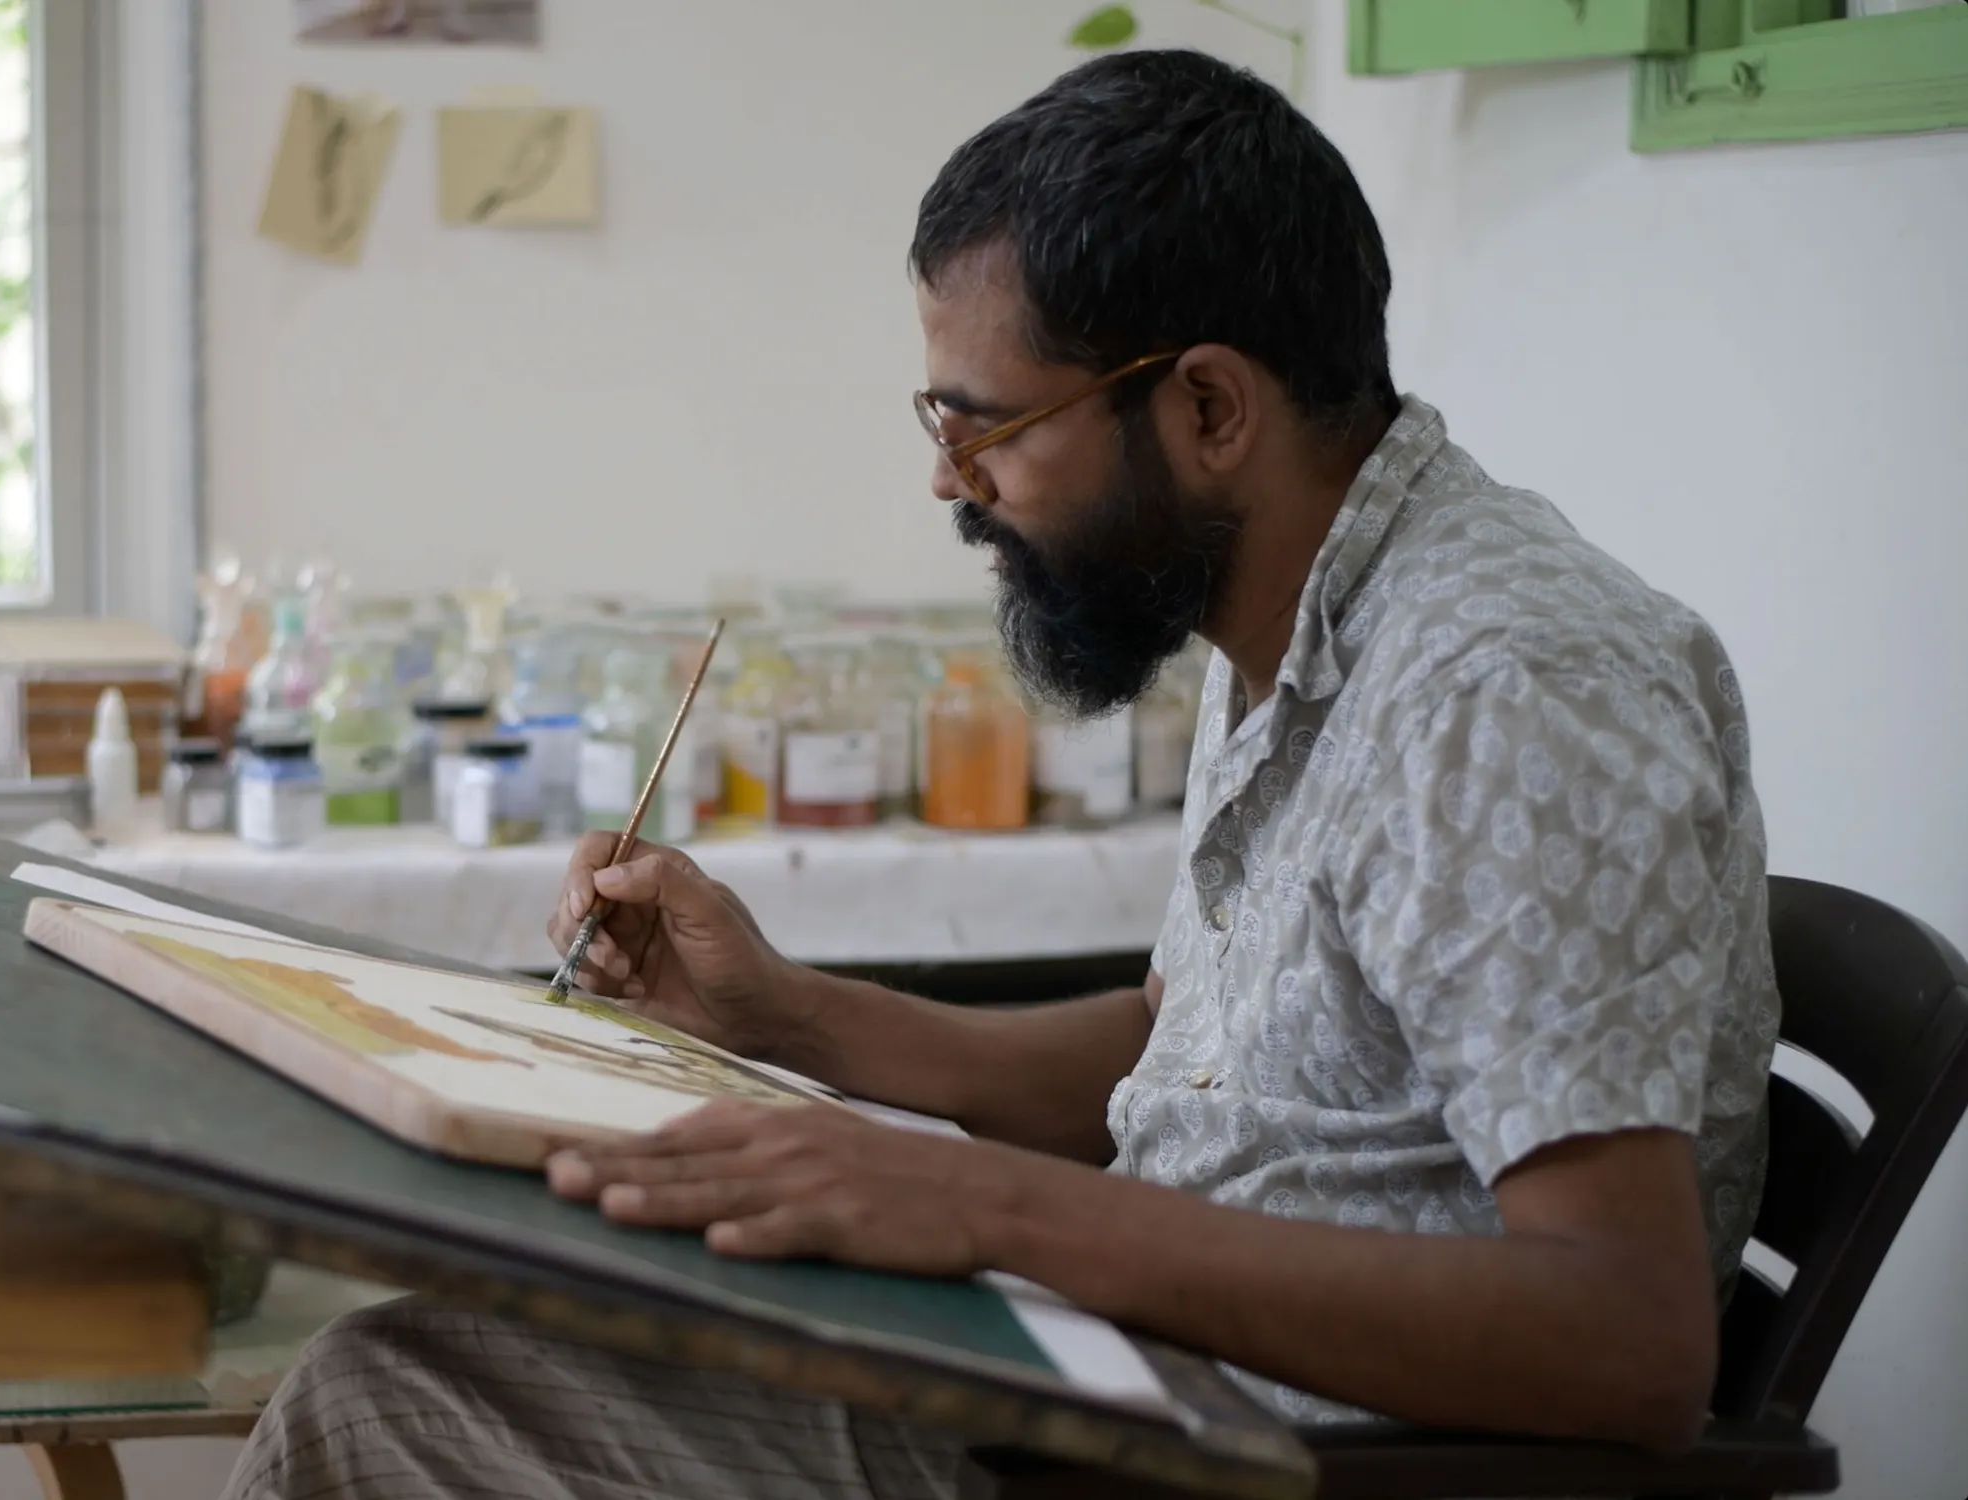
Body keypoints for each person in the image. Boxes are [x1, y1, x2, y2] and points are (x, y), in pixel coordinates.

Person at [224, 47, 1777, 1500]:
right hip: (1113, 1381)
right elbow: (1187, 1057)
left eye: (990, 427)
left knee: (384, 1404)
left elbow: (1621, 1344)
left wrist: (983, 1207)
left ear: (1209, 407)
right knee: (436, 1339)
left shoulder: (1499, 686)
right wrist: (789, 1019)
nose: (947, 480)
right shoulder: (1299, 627)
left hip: (1255, 1460)